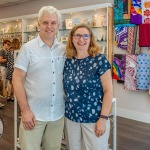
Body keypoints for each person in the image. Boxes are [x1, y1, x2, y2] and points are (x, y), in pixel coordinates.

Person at [12, 6, 65, 150]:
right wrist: (25, 110)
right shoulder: (28, 49)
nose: (49, 26)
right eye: (45, 22)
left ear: (58, 26)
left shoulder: (64, 49)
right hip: (33, 115)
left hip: (57, 115)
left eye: (53, 23)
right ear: (38, 24)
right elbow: (16, 79)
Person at [63, 23, 113, 150]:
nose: (81, 39)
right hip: (71, 117)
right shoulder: (68, 61)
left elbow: (108, 91)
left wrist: (103, 119)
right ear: (72, 38)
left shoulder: (100, 60)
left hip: (94, 118)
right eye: (78, 36)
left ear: (90, 38)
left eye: (85, 36)